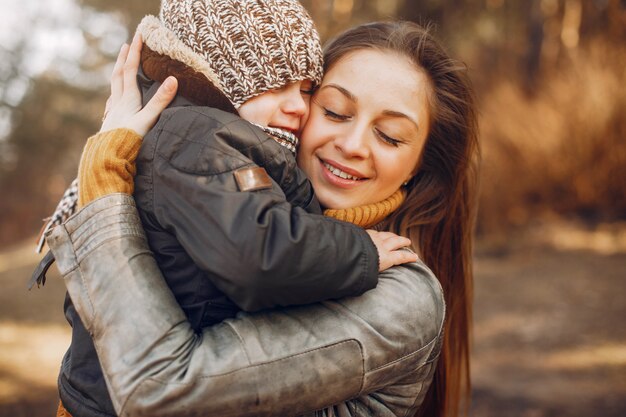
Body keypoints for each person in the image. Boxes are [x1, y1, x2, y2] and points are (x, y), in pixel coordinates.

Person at [47, 20, 478, 417]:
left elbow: (157, 391)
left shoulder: (400, 296)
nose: (351, 144)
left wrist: (104, 184)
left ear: (420, 165)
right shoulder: (232, 221)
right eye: (333, 111)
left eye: (389, 136)